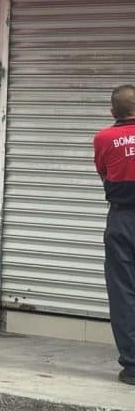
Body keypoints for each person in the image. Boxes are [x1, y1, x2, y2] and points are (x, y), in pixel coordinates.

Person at [93, 84, 135, 386]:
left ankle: (133, 366)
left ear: (113, 112)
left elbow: (103, 172)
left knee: (123, 292)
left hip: (122, 218)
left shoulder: (103, 138)